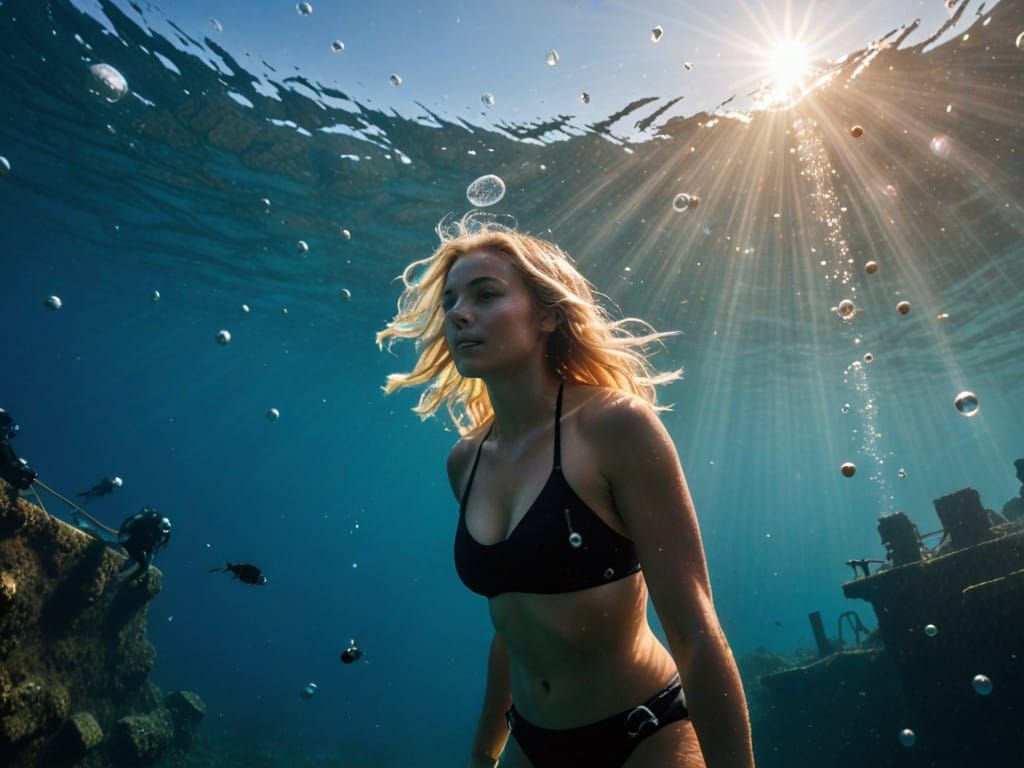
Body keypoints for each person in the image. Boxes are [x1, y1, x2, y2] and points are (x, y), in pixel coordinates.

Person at [377, 215, 754, 768]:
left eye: (485, 295)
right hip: (531, 743)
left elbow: (696, 631)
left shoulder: (616, 427)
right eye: (451, 301)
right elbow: (514, 624)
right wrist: (484, 752)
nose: (459, 313)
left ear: (547, 315)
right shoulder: (465, 462)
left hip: (646, 736)